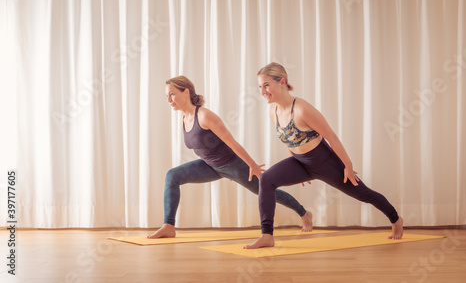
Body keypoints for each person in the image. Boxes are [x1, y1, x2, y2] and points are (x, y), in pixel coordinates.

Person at [244, 63, 403, 249]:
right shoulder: (273, 112)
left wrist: (348, 166)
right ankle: (267, 235)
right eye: (260, 87)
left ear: (282, 82)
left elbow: (331, 137)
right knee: (266, 179)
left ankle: (395, 219)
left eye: (266, 85)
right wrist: (294, 166)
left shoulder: (302, 108)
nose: (262, 91)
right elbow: (289, 140)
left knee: (363, 193)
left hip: (325, 163)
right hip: (300, 163)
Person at [148, 75, 313, 238]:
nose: (169, 99)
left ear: (186, 92)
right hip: (209, 166)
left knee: (266, 190)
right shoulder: (184, 119)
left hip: (232, 165)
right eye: (167, 96)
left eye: (172, 94)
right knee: (172, 176)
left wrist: (251, 165)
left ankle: (304, 213)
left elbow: (231, 142)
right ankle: (169, 225)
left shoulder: (204, 116)